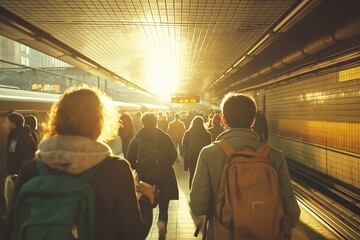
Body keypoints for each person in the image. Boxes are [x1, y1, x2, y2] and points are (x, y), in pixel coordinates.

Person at [4, 86, 154, 240]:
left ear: (57, 120)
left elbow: (11, 229)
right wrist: (146, 200)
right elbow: (132, 233)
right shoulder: (116, 169)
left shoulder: (32, 167)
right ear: (99, 122)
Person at [189, 92, 300, 240]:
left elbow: (198, 205)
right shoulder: (274, 156)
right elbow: (292, 214)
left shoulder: (209, 154)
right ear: (253, 121)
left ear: (224, 120)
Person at [126, 112, 179, 240]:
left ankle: (145, 226)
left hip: (144, 176)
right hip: (164, 174)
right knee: (164, 200)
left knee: (145, 200)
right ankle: (162, 222)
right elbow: (174, 155)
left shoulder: (136, 140)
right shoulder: (164, 137)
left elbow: (129, 160)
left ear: (143, 123)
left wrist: (140, 168)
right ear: (156, 122)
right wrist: (165, 166)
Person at [4, 112, 36, 213]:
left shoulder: (25, 137)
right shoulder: (13, 136)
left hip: (18, 177)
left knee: (18, 204)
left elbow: (30, 158)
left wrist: (21, 175)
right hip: (11, 175)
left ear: (14, 124)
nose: (7, 124)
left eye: (8, 122)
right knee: (9, 202)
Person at [182, 116, 211, 189]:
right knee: (203, 176)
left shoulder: (188, 133)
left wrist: (185, 161)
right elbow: (209, 146)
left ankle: (191, 191)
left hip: (191, 157)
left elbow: (184, 145)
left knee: (192, 175)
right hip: (203, 157)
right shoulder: (207, 134)